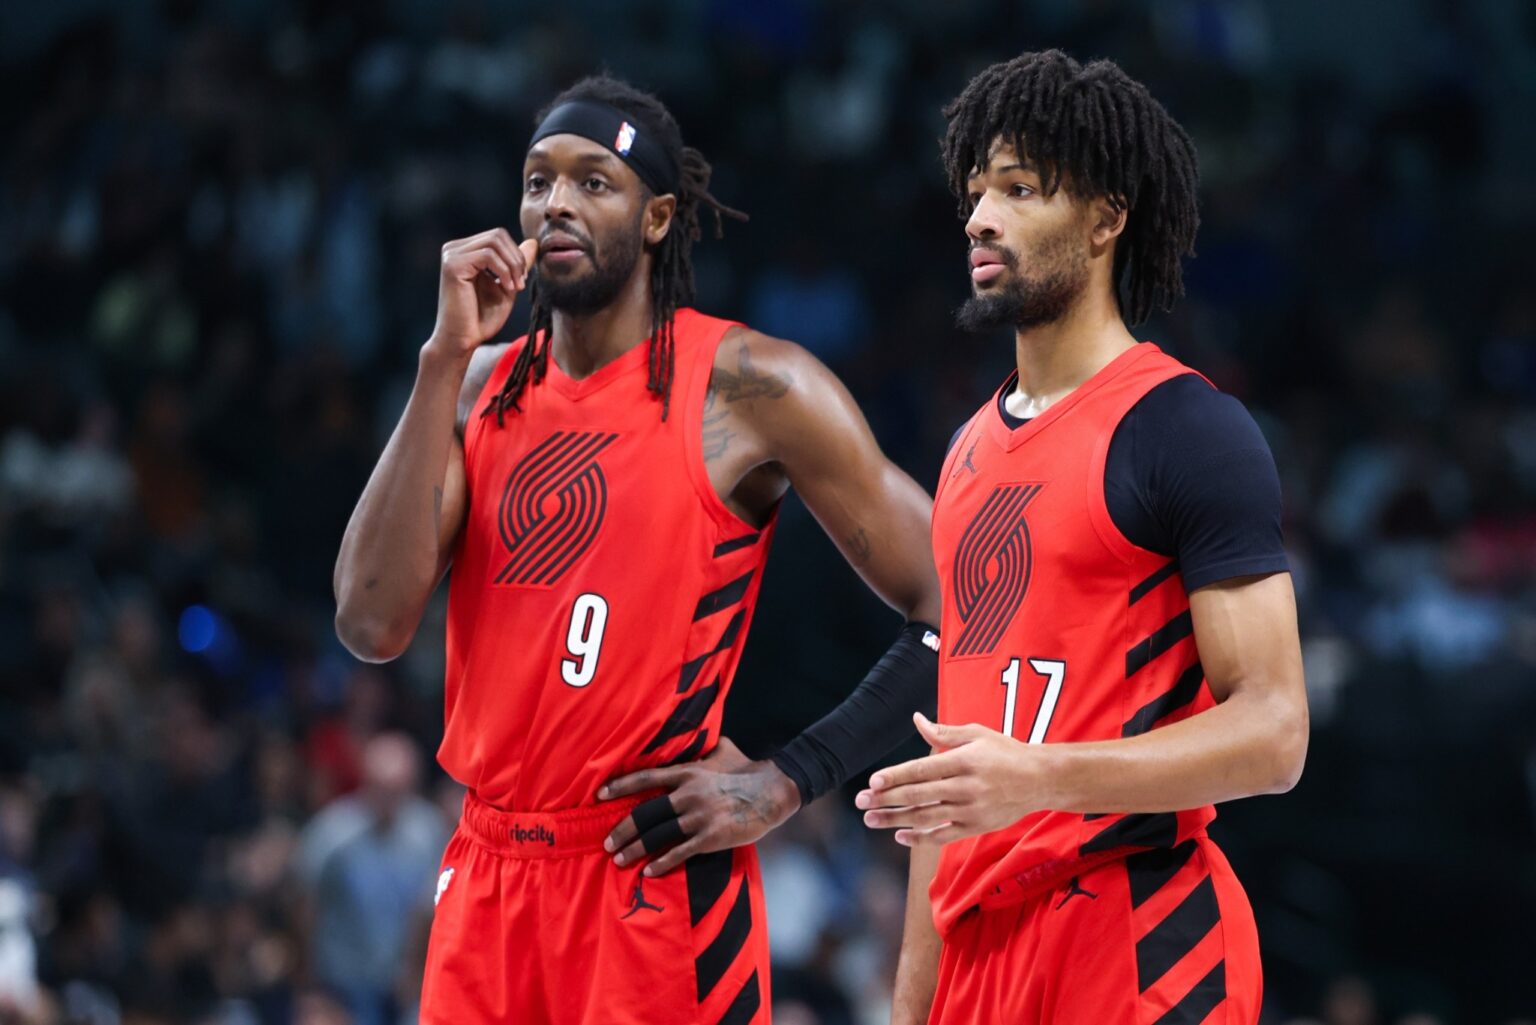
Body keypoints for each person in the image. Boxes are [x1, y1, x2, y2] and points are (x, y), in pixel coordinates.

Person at [333, 75, 942, 1025]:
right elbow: (370, 621)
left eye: (593, 181)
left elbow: (958, 601)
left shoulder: (750, 386)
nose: (556, 203)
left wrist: (791, 778)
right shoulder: (476, 387)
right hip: (487, 873)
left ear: (657, 217)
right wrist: (438, 360)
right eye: (537, 182)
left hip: (647, 877)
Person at [857, 50, 1309, 1025]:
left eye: (1019, 189)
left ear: (1106, 218)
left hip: (1130, 916)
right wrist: (910, 1003)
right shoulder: (968, 450)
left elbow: (1275, 731)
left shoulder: (1188, 427)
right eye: (978, 191)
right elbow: (957, 767)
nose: (980, 216)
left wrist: (1039, 774)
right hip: (977, 944)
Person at [294, 732, 448, 1025]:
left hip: (405, 981)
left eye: (398, 790)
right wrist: (308, 978)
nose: (389, 800)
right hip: (340, 983)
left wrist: (417, 970)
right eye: (382, 789)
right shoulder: (331, 833)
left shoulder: (429, 832)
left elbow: (432, 908)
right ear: (366, 782)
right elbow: (305, 904)